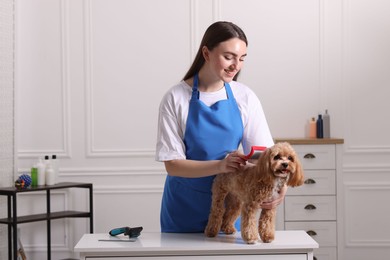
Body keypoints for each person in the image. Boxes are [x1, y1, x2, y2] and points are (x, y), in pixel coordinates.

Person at [155, 21, 287, 233]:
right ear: (206, 53)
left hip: (230, 211)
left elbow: (265, 156)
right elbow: (173, 165)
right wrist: (221, 166)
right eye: (229, 57)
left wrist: (281, 187)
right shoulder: (176, 98)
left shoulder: (246, 97)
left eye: (242, 58)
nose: (236, 65)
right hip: (183, 211)